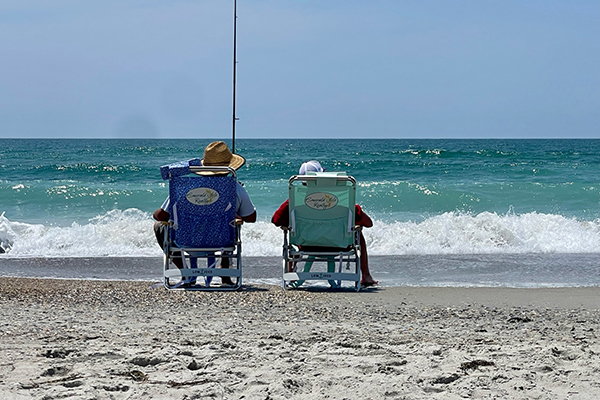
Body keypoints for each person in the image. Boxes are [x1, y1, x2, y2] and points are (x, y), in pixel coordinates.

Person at [153, 141, 256, 285]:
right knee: (232, 224)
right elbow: (251, 217)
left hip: (185, 240)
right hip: (222, 242)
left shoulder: (184, 188)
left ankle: (185, 273)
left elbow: (160, 216)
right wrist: (233, 212)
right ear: (230, 167)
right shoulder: (236, 188)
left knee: (158, 225)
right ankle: (225, 276)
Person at [271, 160, 378, 286]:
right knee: (358, 234)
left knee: (292, 235)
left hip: (305, 244)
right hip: (338, 244)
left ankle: (291, 274)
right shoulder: (342, 202)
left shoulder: (294, 202)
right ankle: (365, 276)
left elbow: (276, 220)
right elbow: (368, 223)